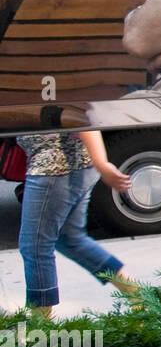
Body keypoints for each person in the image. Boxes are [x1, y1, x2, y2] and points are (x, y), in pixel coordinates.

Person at [17, 130, 137, 319]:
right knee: (70, 239)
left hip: (55, 168)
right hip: (73, 167)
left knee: (35, 246)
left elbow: (82, 117)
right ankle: (138, 296)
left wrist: (102, 164)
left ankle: (39, 325)